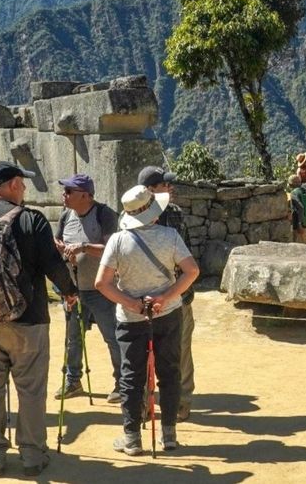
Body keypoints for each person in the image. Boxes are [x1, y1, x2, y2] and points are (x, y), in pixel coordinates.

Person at [0, 161, 78, 478]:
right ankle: (32, 455)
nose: (24, 188)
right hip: (28, 319)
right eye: (22, 183)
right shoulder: (30, 219)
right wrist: (70, 291)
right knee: (30, 390)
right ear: (12, 184)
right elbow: (53, 264)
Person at [95, 184, 200, 456]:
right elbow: (191, 271)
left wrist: (131, 303)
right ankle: (169, 435)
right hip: (168, 313)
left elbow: (102, 283)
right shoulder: (170, 236)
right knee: (170, 372)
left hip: (131, 318)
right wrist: (165, 297)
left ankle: (132, 438)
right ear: (153, 212)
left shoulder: (118, 241)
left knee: (131, 376)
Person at [52, 174, 121, 404]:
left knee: (113, 337)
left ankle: (123, 383)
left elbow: (112, 249)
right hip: (74, 290)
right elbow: (59, 245)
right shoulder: (66, 216)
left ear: (85, 195)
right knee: (73, 338)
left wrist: (83, 247)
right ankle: (73, 381)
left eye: (69, 191)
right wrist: (61, 249)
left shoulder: (104, 214)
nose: (64, 195)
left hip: (103, 291)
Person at [140, 165, 197, 421]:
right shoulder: (133, 218)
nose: (170, 188)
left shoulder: (174, 214)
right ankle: (148, 403)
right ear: (150, 190)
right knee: (148, 353)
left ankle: (178, 402)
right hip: (152, 297)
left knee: (177, 352)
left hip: (170, 296)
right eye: (164, 184)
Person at [289, 175, 306, 244]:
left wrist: (299, 224)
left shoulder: (294, 193)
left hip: (301, 224)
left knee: (300, 246)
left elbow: (300, 207)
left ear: (290, 184)